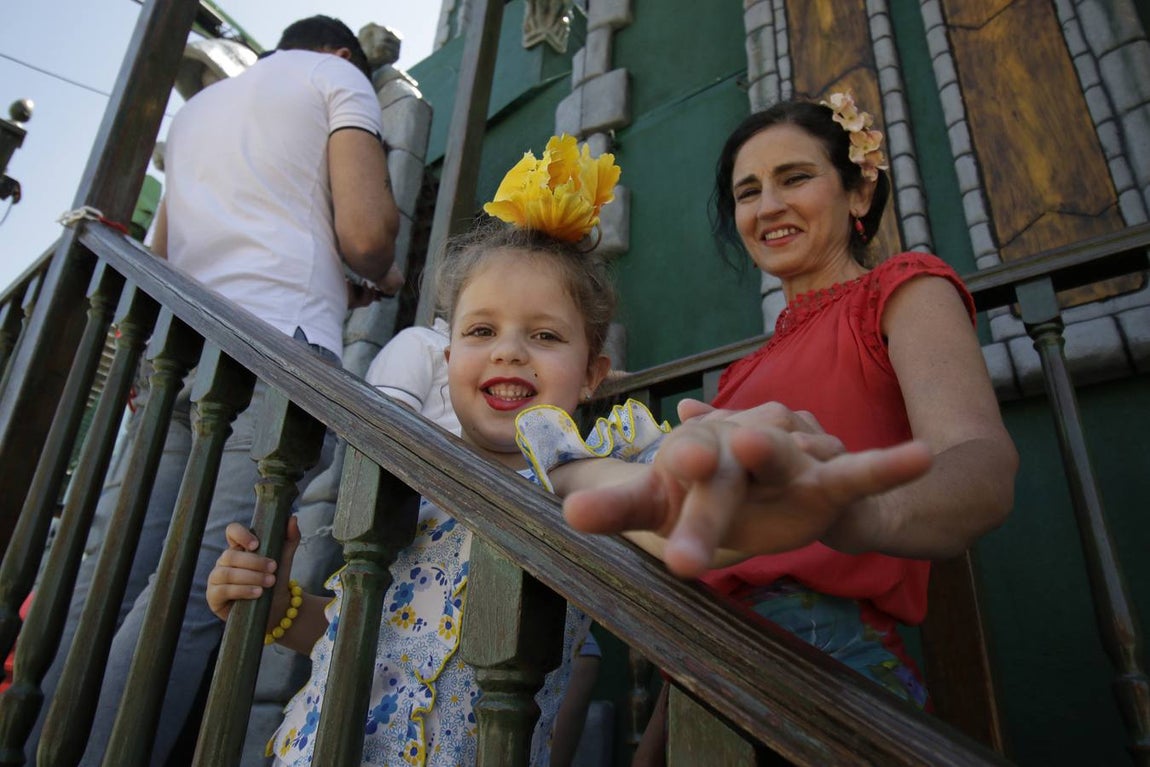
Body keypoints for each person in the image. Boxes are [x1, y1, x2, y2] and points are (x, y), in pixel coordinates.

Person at [517, 93, 1019, 756]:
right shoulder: (738, 381)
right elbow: (718, 577)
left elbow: (980, 462)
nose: (769, 206)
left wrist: (850, 510)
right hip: (707, 674)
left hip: (827, 666)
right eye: (747, 191)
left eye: (795, 177)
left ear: (859, 193)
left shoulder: (902, 291)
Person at [28, 16, 399, 765]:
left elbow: (163, 255)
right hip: (278, 352)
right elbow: (367, 234)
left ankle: (37, 741)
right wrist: (370, 269)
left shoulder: (198, 111)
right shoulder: (340, 79)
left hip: (183, 356)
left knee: (108, 569)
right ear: (340, 54)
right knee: (200, 583)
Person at [207, 134, 622, 766]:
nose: (508, 351)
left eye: (543, 334)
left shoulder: (591, 493)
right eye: (482, 331)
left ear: (592, 373)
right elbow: (364, 639)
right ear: (449, 358)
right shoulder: (407, 498)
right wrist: (272, 602)